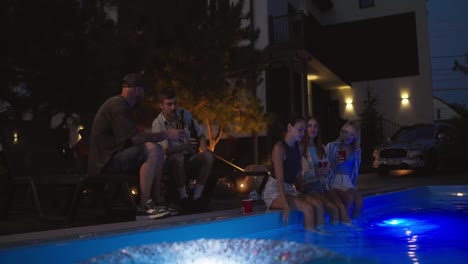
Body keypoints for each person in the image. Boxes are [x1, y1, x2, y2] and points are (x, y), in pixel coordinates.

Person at [87, 73, 185, 220]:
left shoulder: (121, 105)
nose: (144, 96)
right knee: (152, 149)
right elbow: (136, 139)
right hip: (104, 163)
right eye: (143, 92)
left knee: (156, 149)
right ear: (138, 91)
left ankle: (157, 202)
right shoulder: (118, 105)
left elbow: (130, 139)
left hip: (113, 157)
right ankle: (144, 207)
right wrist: (167, 134)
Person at [152, 87, 214, 213]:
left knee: (208, 156)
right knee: (177, 158)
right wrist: (185, 147)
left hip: (189, 157)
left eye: (175, 103)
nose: (173, 107)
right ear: (161, 105)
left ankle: (197, 197)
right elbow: (166, 151)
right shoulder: (157, 124)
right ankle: (183, 198)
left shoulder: (184, 114)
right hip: (170, 162)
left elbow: (200, 134)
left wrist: (203, 147)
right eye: (169, 104)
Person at [262, 113, 325, 231]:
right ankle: (311, 242)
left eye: (304, 130)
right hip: (275, 190)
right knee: (307, 208)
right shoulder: (279, 148)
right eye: (300, 130)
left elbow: (297, 175)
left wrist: (304, 190)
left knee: (317, 203)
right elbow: (280, 179)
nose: (303, 133)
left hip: (290, 189)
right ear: (289, 128)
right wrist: (286, 205)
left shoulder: (299, 147)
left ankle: (321, 238)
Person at [300, 117, 351, 224]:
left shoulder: (321, 148)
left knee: (340, 206)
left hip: (324, 185)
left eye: (315, 126)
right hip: (310, 186)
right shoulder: (301, 149)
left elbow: (328, 171)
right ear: (305, 129)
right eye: (309, 126)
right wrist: (316, 172)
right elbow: (300, 176)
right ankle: (325, 237)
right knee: (332, 208)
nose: (313, 129)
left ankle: (346, 234)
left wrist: (332, 167)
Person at [325, 120, 363, 218]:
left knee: (359, 200)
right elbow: (324, 168)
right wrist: (335, 162)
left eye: (351, 134)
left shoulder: (356, 151)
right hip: (334, 179)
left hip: (348, 182)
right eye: (345, 132)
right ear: (342, 132)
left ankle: (356, 225)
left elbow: (355, 172)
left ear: (355, 137)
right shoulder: (331, 146)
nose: (347, 136)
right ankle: (343, 225)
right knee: (349, 198)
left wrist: (353, 185)